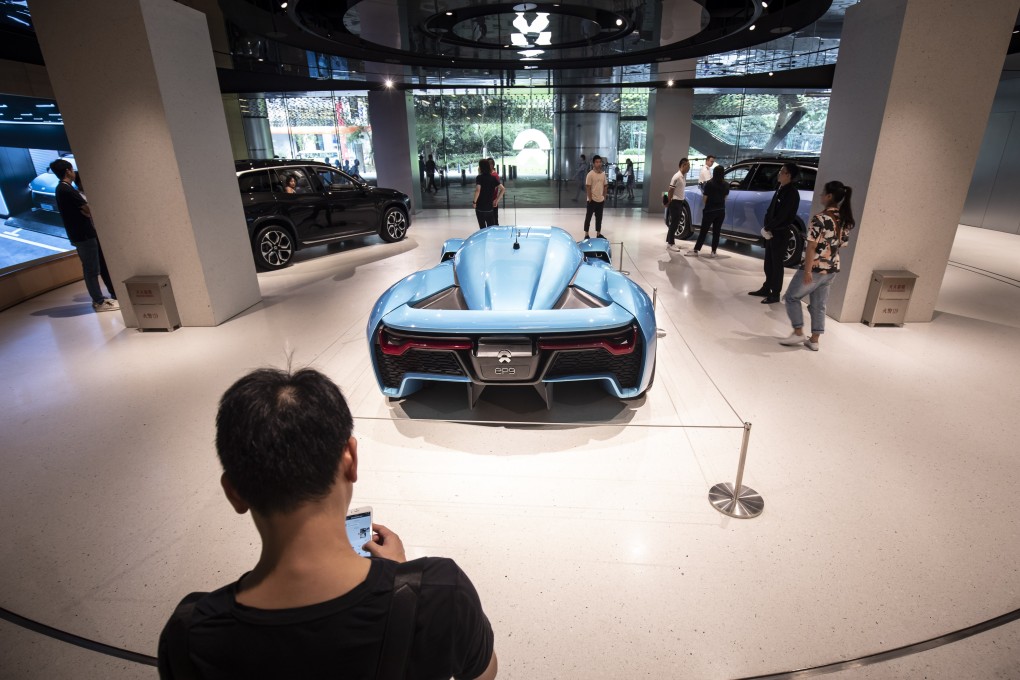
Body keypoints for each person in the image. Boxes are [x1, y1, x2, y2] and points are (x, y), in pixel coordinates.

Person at [157, 367, 497, 680]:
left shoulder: (190, 633)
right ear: (350, 459)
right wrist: (402, 578)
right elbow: (484, 673)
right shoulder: (440, 594)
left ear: (234, 493)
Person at [779, 181, 855, 351]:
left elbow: (811, 246)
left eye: (823, 193)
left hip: (815, 267)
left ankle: (798, 332)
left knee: (791, 297)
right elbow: (843, 244)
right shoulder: (845, 219)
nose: (820, 195)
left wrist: (807, 271)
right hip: (832, 268)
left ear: (829, 196)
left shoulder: (820, 218)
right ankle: (814, 340)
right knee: (819, 304)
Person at [50, 159, 118, 312]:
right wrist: (87, 211)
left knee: (95, 266)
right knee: (91, 269)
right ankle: (99, 301)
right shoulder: (66, 190)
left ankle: (103, 298)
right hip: (84, 235)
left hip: (83, 234)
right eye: (72, 169)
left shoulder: (62, 189)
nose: (74, 173)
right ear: (68, 171)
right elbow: (87, 209)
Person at [749, 162, 801, 304]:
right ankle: (767, 287)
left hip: (780, 233)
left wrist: (769, 228)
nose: (778, 173)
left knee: (777, 264)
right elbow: (771, 210)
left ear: (788, 175)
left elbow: (783, 216)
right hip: (772, 231)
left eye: (781, 171)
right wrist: (767, 226)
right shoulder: (780, 188)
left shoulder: (791, 193)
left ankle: (775, 293)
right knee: (769, 263)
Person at [686, 164, 728, 258]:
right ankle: (713, 252)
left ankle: (696, 250)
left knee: (703, 231)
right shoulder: (726, 184)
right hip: (721, 211)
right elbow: (725, 197)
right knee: (716, 232)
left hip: (710, 210)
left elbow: (705, 198)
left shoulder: (710, 183)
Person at [665, 158, 691, 252]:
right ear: (683, 165)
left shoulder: (683, 177)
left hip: (680, 202)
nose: (689, 167)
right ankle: (671, 244)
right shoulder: (676, 176)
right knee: (674, 224)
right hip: (675, 202)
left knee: (675, 223)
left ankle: (669, 241)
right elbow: (670, 190)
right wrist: (669, 202)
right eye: (688, 165)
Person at [473, 159, 504, 229]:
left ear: (481, 167)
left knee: (482, 227)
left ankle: (484, 239)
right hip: (490, 207)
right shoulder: (493, 178)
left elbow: (478, 190)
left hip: (480, 207)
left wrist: (474, 202)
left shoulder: (479, 178)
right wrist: (496, 200)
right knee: (491, 227)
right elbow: (503, 189)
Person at [583, 155, 607, 239]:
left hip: (600, 200)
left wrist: (604, 197)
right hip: (592, 200)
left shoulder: (603, 174)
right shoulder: (590, 174)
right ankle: (586, 234)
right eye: (597, 162)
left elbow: (605, 185)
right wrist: (590, 199)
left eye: (600, 162)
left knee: (599, 218)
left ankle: (598, 233)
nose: (599, 164)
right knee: (588, 217)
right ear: (593, 163)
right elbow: (588, 187)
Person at [486, 158, 500, 224]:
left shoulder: (493, 175)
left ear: (491, 165)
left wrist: (496, 200)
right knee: (492, 219)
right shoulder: (491, 174)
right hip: (491, 200)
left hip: (492, 200)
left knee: (493, 220)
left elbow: (494, 189)